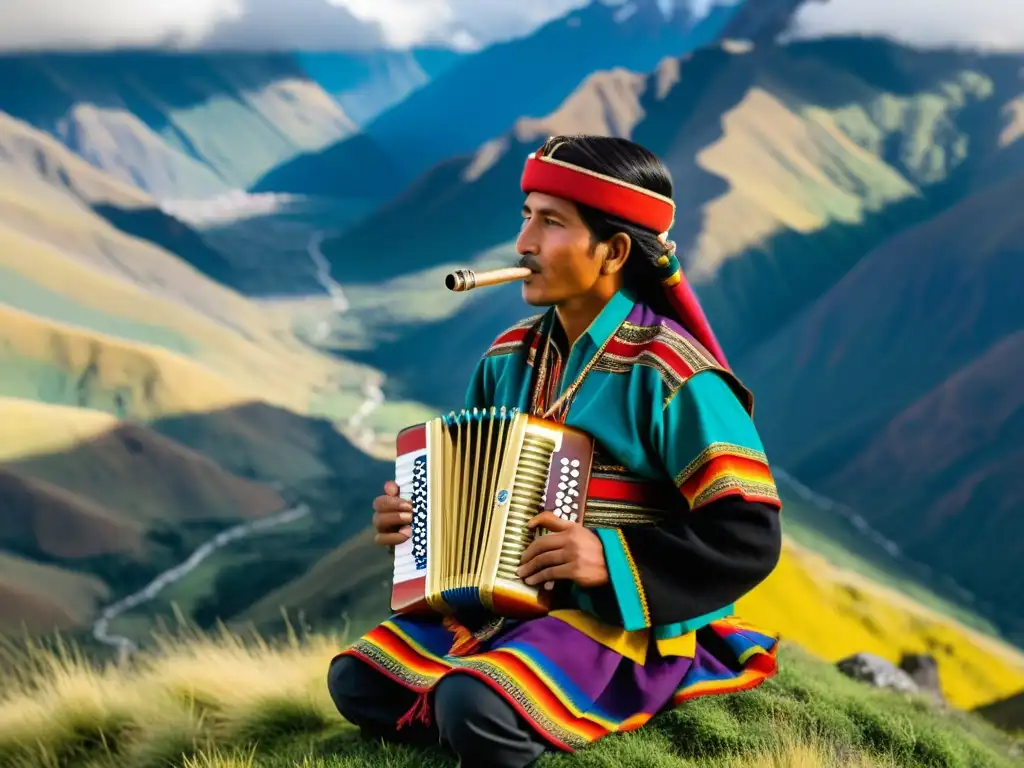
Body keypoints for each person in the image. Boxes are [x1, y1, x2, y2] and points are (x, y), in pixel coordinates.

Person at [327, 135, 784, 768]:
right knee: (356, 681)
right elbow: (465, 487)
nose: (524, 244)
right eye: (526, 217)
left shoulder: (675, 374)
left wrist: (609, 560)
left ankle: (502, 714)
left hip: (621, 625)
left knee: (469, 704)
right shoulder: (507, 356)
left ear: (614, 251)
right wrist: (415, 522)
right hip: (503, 611)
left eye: (551, 223)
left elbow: (750, 533)